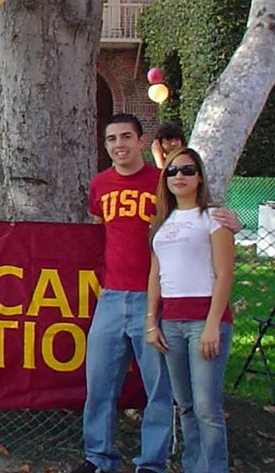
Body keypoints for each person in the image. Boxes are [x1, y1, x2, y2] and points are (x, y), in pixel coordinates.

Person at [72, 114, 239, 473]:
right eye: (112, 139)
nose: (119, 145)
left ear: (140, 140)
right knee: (99, 382)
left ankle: (151, 461)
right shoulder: (100, 185)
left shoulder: (161, 182)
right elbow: (101, 234)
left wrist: (232, 220)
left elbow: (197, 215)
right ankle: (97, 457)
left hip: (160, 301)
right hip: (113, 296)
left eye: (126, 137)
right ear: (105, 145)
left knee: (159, 389)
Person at [146, 148, 235, 473]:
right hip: (170, 323)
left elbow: (225, 273)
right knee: (184, 406)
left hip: (205, 321)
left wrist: (213, 324)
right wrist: (151, 321)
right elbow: (155, 275)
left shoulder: (215, 218)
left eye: (187, 170)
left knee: (206, 407)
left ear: (199, 177)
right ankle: (192, 465)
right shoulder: (162, 223)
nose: (179, 176)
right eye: (172, 171)